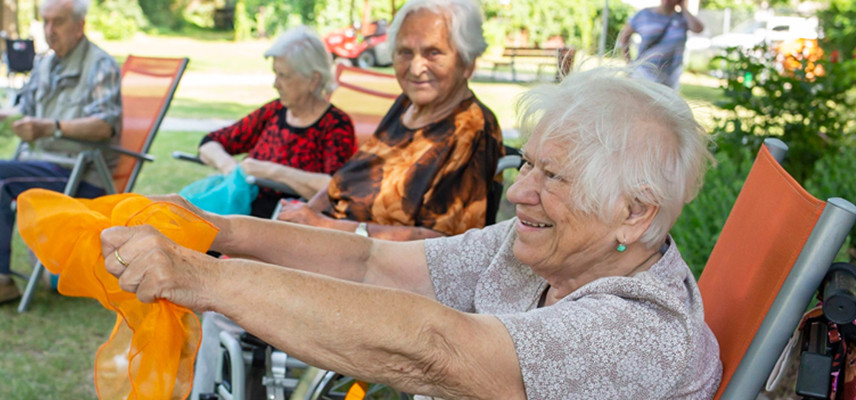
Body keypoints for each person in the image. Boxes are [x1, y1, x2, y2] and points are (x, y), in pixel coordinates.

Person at [109, 68, 722, 399]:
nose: (519, 191)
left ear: (636, 213)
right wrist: (218, 231)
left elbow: (437, 350)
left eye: (553, 176)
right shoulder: (541, 249)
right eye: (527, 164)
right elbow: (370, 263)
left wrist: (204, 278)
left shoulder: (640, 330)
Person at [0, 0, 123, 311]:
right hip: (40, 165)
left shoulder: (100, 65)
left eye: (57, 23)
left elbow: (104, 125)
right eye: (45, 22)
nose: (49, 31)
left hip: (79, 173)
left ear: (79, 25)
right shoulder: (45, 64)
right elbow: (21, 112)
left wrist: (51, 127)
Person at [276, 0, 505, 241]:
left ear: (468, 63)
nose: (416, 69)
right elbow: (346, 179)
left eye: (433, 52)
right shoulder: (407, 104)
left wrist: (324, 226)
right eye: (405, 52)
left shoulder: (473, 128)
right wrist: (307, 214)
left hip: (374, 267)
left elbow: (442, 245)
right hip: (331, 242)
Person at [196, 26, 358, 218]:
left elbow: (335, 189)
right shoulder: (275, 111)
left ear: (313, 80)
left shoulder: (336, 125)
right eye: (276, 74)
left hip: (282, 225)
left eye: (284, 75)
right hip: (239, 214)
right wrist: (232, 168)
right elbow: (209, 143)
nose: (275, 84)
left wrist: (270, 171)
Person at [619, 0, 704, 89]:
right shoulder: (644, 15)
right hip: (645, 71)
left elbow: (698, 28)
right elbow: (624, 37)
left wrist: (684, 8)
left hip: (671, 75)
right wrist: (629, 63)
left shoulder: (682, 18)